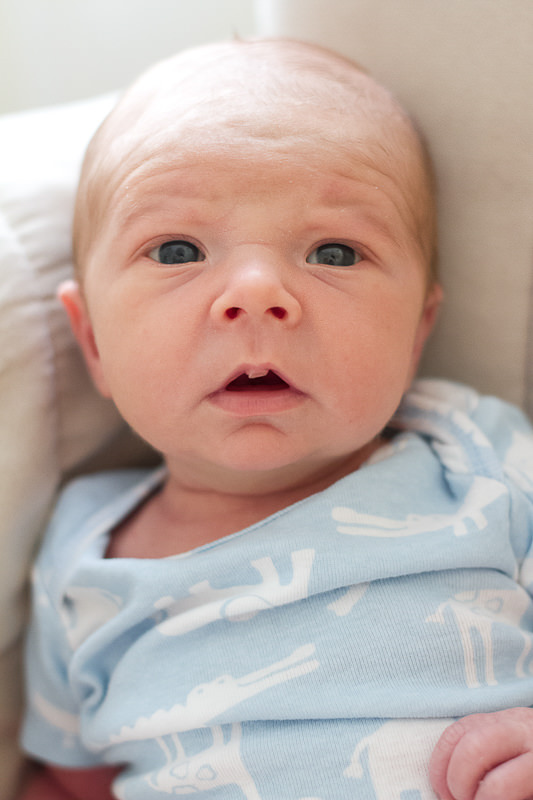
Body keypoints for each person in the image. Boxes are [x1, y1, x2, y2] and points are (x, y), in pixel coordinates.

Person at [19, 37, 533, 800]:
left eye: (332, 252)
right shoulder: (80, 559)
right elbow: (69, 781)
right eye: (177, 249)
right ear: (91, 339)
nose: (258, 291)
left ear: (415, 330)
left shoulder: (474, 457)